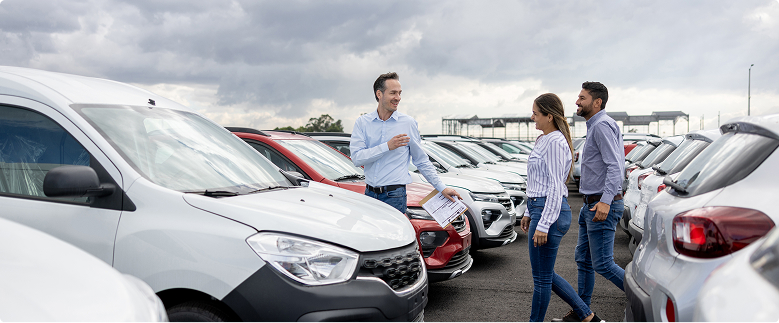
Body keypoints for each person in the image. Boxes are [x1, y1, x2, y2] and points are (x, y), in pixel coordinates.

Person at [520, 93, 602, 322]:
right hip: (539, 207)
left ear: (549, 116)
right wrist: (528, 211)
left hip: (549, 211)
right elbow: (538, 181)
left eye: (536, 113)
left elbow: (556, 186)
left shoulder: (556, 142)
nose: (532, 117)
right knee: (544, 274)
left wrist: (543, 224)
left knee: (542, 279)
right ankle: (587, 315)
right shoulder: (542, 140)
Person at [554, 82, 625, 322]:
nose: (577, 101)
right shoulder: (596, 125)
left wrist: (605, 202)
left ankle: (646, 298)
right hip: (590, 204)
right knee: (583, 260)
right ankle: (582, 312)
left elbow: (615, 167)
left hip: (601, 204)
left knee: (603, 264)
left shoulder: (602, 125)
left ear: (597, 102)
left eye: (582, 98)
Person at [350, 72, 461, 213]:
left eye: (400, 93)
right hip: (369, 194)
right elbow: (357, 158)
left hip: (394, 196)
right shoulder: (363, 122)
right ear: (379, 94)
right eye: (393, 93)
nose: (398, 98)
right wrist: (387, 146)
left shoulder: (408, 123)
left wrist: (441, 187)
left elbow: (421, 161)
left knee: (393, 235)